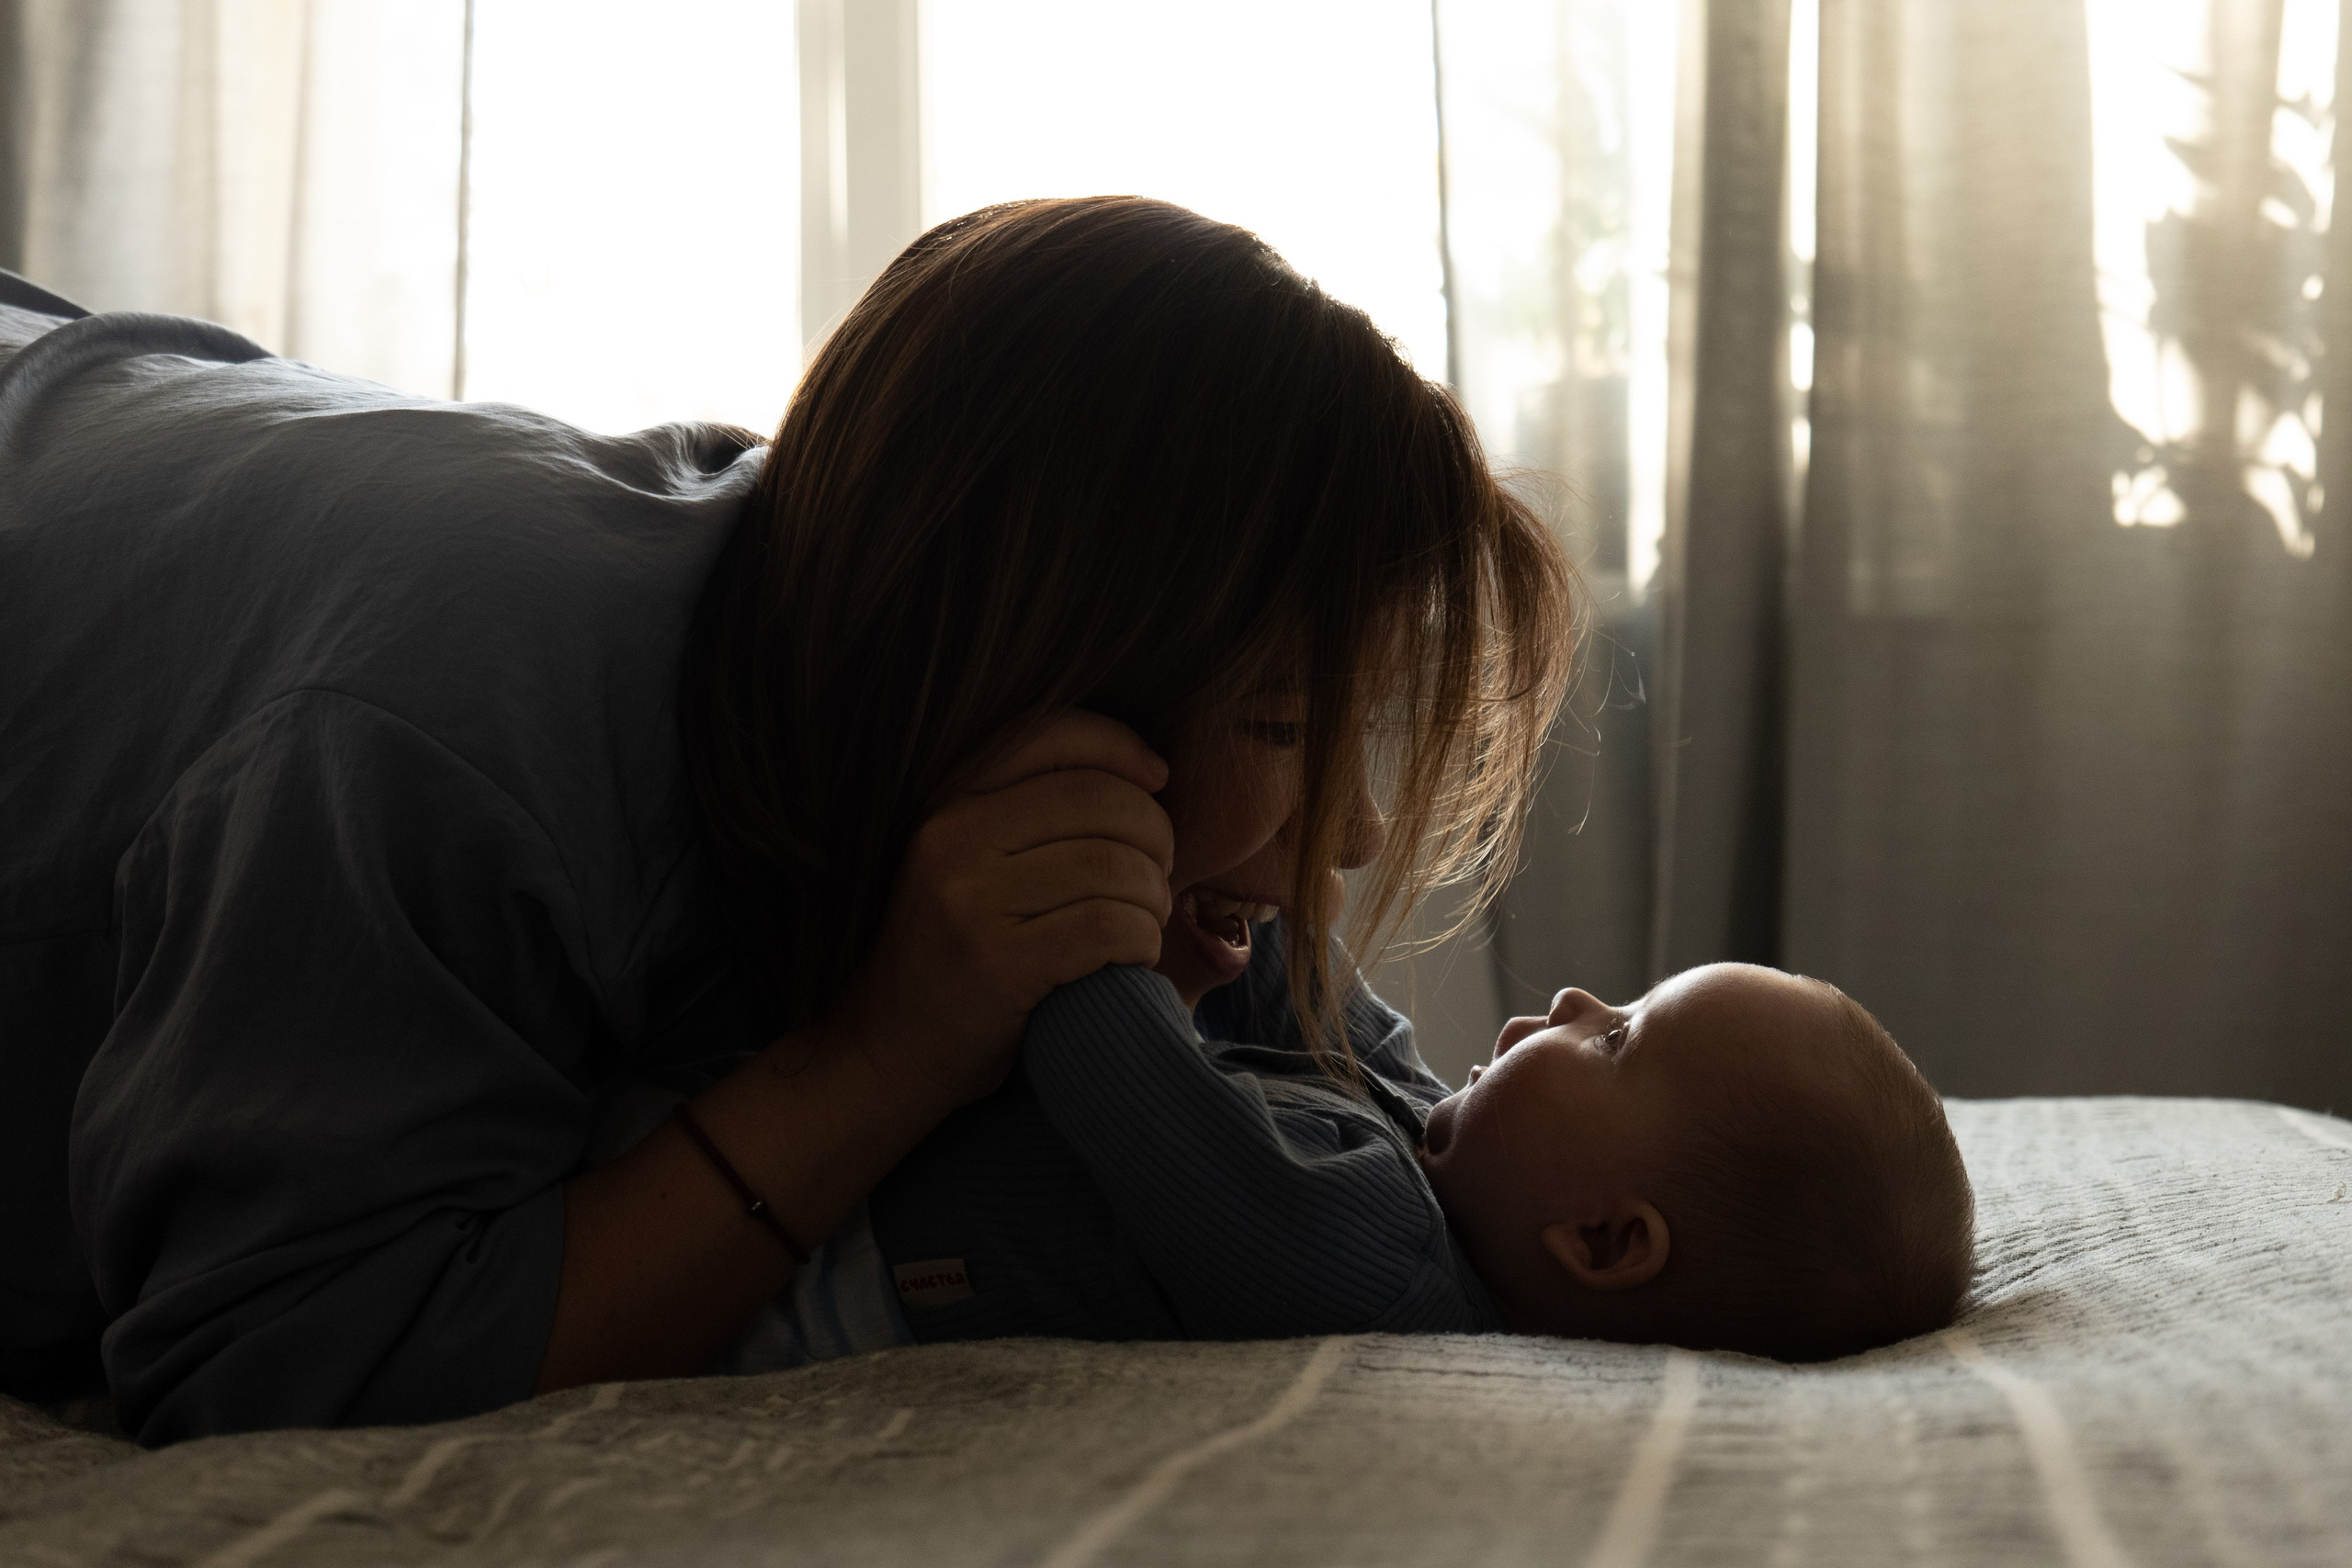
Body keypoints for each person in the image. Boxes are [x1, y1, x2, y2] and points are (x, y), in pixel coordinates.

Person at [0, 195, 1575, 1443]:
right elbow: (268, 1369)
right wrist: (874, 1062)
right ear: (1035, 665)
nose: (1356, 835)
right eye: (1289, 726)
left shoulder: (841, 646)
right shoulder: (452, 730)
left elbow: (1343, 1077)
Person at [827, 949, 1973, 1365]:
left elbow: (1103, 1046)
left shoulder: (1372, 1264)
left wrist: (1098, 901)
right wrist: (1257, 893)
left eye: (1617, 1036)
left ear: (1605, 1240)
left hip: (822, 1260)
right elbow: (1314, 999)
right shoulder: (1451, 1167)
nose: (1575, 996)